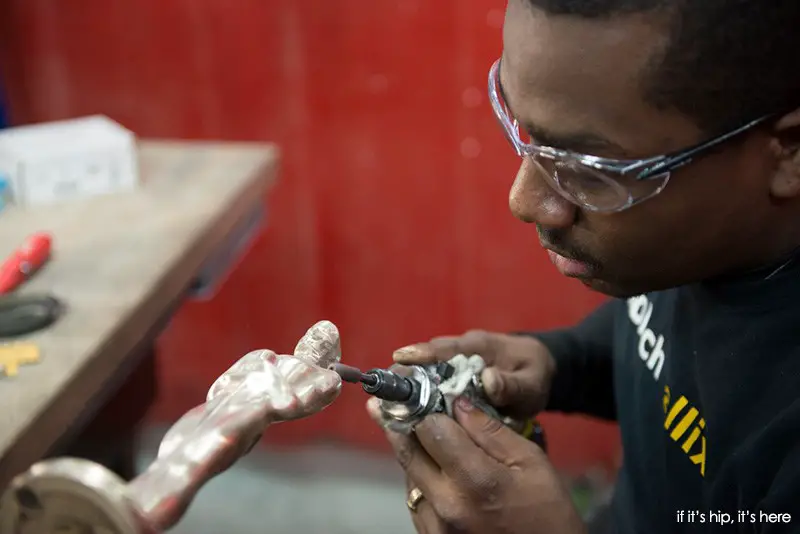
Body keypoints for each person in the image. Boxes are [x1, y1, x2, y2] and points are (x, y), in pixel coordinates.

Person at [366, 1, 800, 532]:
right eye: (523, 128)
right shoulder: (700, 249)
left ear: (789, 151)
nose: (524, 201)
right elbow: (667, 345)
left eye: (589, 170)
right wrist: (558, 363)